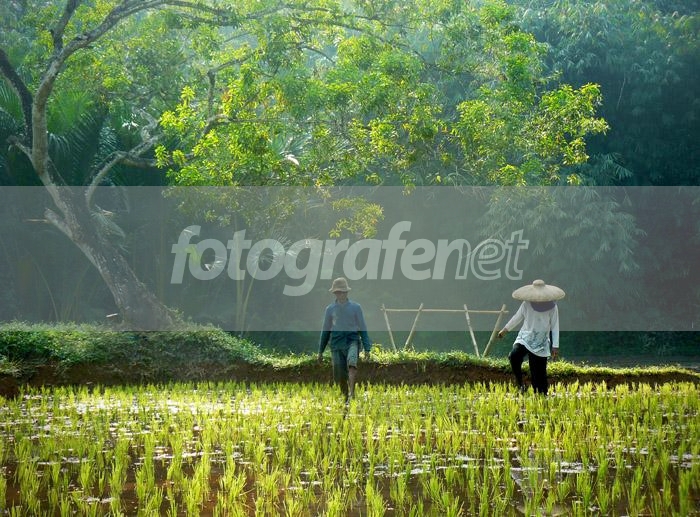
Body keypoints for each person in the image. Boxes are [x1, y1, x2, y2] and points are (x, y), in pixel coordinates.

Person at [497, 279, 564, 395]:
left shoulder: (553, 307)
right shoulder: (526, 304)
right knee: (514, 356)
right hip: (525, 338)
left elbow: (555, 326)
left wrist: (555, 346)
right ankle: (520, 384)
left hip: (540, 343)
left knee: (538, 375)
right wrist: (505, 329)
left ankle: (541, 395)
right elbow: (517, 317)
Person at [318, 277, 372, 401]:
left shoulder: (356, 307)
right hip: (336, 344)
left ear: (346, 292)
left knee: (352, 364)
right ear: (335, 293)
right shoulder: (330, 309)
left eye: (342, 292)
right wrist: (320, 351)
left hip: (352, 341)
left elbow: (362, 327)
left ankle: (352, 394)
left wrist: (367, 348)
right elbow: (325, 331)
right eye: (338, 292)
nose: (340, 295)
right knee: (339, 375)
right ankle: (345, 397)